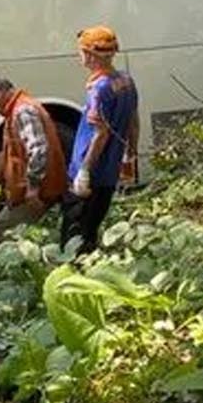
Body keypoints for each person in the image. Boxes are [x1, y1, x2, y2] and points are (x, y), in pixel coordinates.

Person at [63, 26, 141, 255]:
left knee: (74, 238)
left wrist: (84, 171)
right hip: (109, 174)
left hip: (91, 175)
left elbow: (101, 133)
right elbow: (133, 119)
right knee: (91, 232)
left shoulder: (100, 88)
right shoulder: (126, 82)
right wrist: (130, 151)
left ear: (90, 55)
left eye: (81, 52)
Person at [0, 77, 67, 239]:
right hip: (29, 192)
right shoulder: (15, 112)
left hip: (35, 194)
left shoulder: (22, 111)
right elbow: (10, 164)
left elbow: (39, 149)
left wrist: (33, 187)